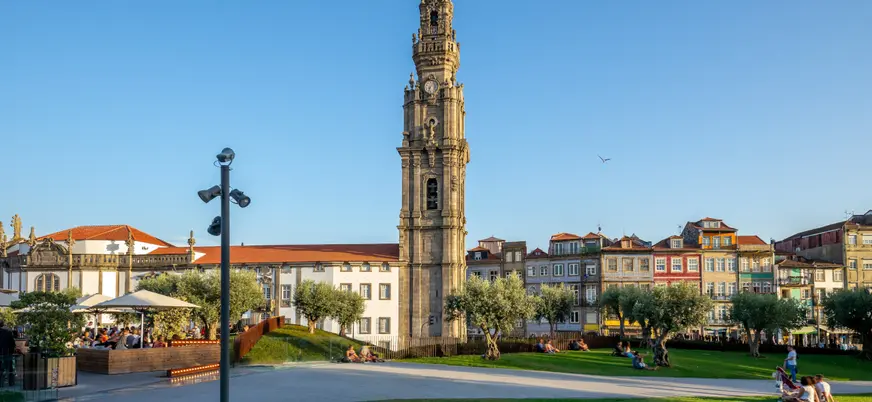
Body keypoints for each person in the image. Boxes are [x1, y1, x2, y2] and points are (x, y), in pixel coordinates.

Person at [0, 321, 17, 386]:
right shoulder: (8, 331)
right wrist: (12, 350)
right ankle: (11, 383)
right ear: (3, 324)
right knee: (10, 369)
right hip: (7, 352)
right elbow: (12, 343)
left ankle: (1, 384)